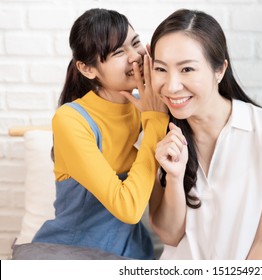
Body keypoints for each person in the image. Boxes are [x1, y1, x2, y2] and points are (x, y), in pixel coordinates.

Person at [147, 9, 262, 260]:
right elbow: (169, 235)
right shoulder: (157, 136)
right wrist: (174, 177)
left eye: (187, 70)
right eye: (160, 69)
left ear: (219, 70)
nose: (171, 86)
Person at [31, 8, 168, 259]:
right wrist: (155, 123)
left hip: (133, 253)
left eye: (135, 43)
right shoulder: (71, 119)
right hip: (74, 256)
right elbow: (129, 209)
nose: (134, 57)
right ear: (87, 69)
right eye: (118, 52)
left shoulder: (147, 107)